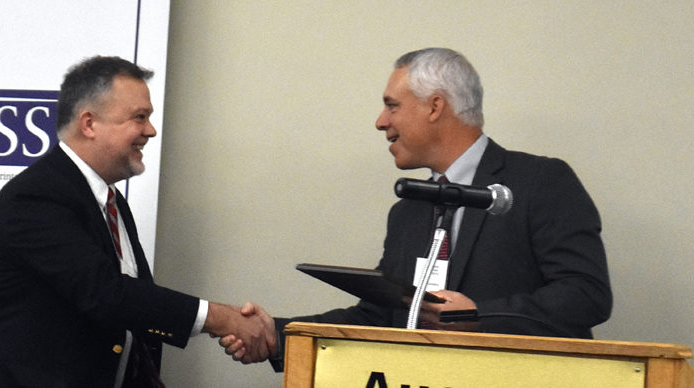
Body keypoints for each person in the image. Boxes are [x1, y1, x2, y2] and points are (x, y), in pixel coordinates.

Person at [220, 47, 612, 368]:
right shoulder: (409, 208)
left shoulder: (540, 181)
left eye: (392, 105)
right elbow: (381, 317)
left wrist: (476, 316)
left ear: (435, 107)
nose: (380, 121)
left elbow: (586, 295)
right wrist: (279, 335)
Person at [0, 56, 275, 387]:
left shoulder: (110, 201)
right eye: (140, 117)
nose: (150, 130)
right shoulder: (36, 197)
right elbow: (106, 293)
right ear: (90, 124)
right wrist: (221, 319)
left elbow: (134, 313)